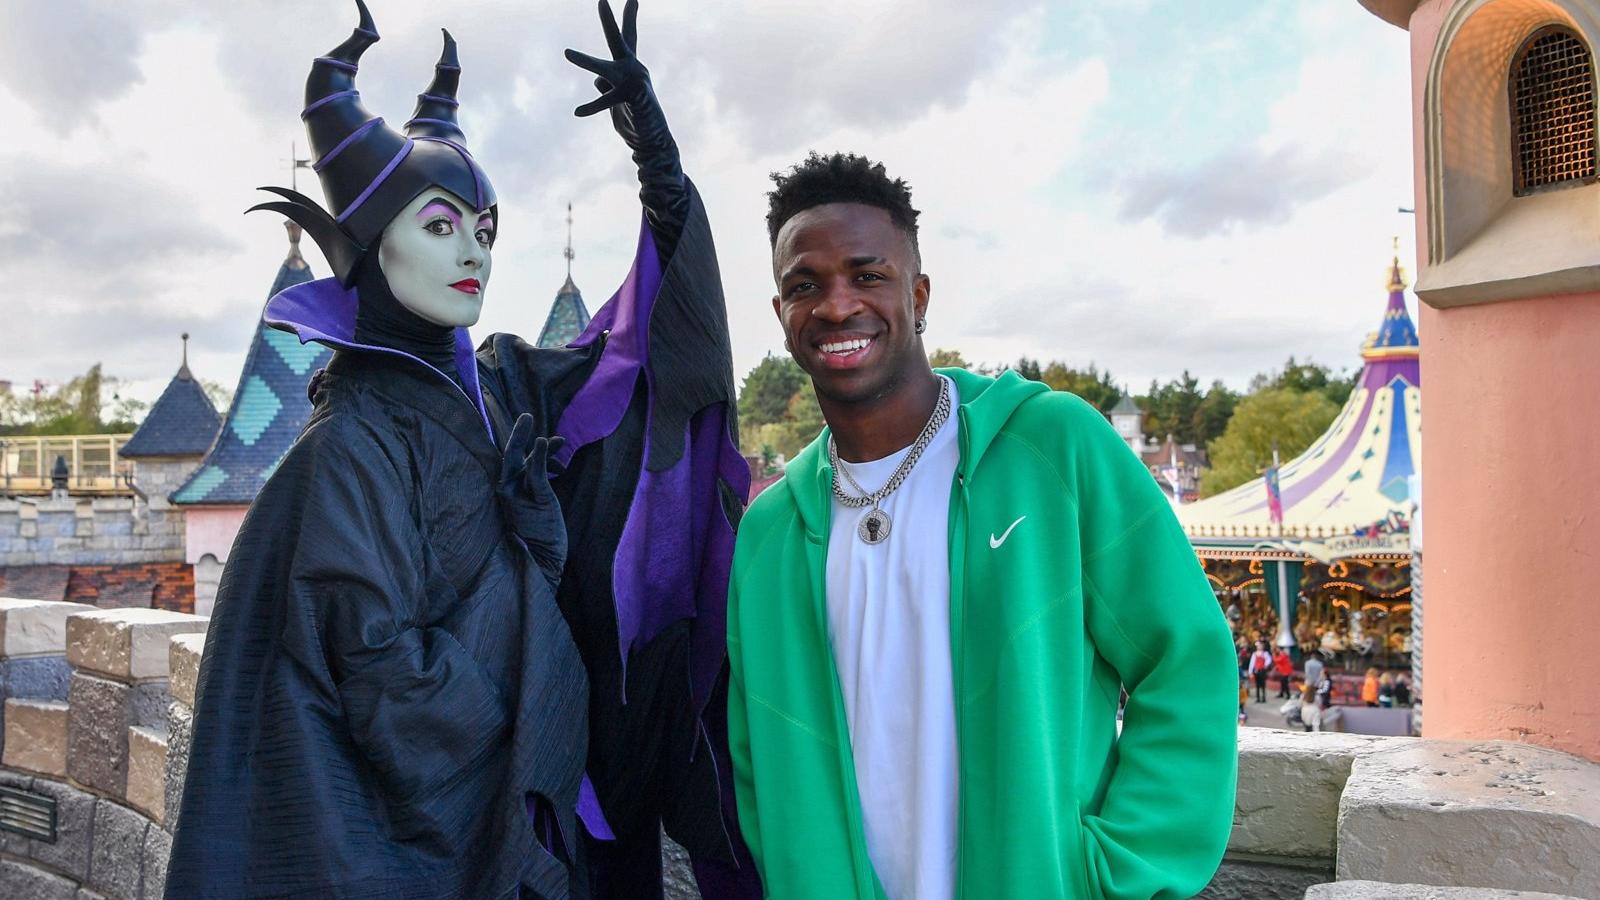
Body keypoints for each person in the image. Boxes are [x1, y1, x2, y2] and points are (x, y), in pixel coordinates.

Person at [167, 3, 757, 897]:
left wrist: (662, 178)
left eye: (484, 229)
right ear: (372, 243)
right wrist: (534, 679)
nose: (473, 252)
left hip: (531, 802)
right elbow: (380, 677)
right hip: (442, 839)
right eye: (440, 226)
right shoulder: (347, 447)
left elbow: (645, 367)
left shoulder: (501, 390)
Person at [725, 153, 1237, 898]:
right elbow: (756, 757)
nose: (836, 306)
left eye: (867, 275)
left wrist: (1116, 874)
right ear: (781, 314)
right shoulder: (770, 531)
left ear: (918, 294)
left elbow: (1185, 658)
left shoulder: (1053, 447)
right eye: (806, 285)